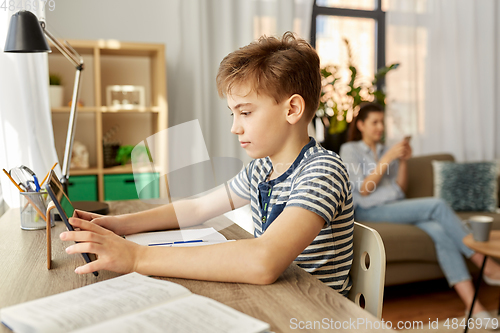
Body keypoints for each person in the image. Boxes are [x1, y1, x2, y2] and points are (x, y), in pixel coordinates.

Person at [60, 32, 355, 296]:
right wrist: (120, 225)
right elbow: (198, 208)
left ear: (292, 109)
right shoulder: (262, 169)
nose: (235, 128)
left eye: (246, 112)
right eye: (233, 114)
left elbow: (263, 261)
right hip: (276, 298)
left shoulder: (321, 171)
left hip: (313, 312)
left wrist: (136, 257)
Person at [339, 102, 500, 316]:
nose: (380, 127)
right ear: (360, 125)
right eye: (374, 122)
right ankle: (484, 263)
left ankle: (475, 308)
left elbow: (400, 189)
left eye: (381, 122)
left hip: (395, 205)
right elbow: (364, 189)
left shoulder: (387, 150)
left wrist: (403, 161)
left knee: (439, 231)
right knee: (437, 205)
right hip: (370, 210)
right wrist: (388, 158)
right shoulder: (350, 150)